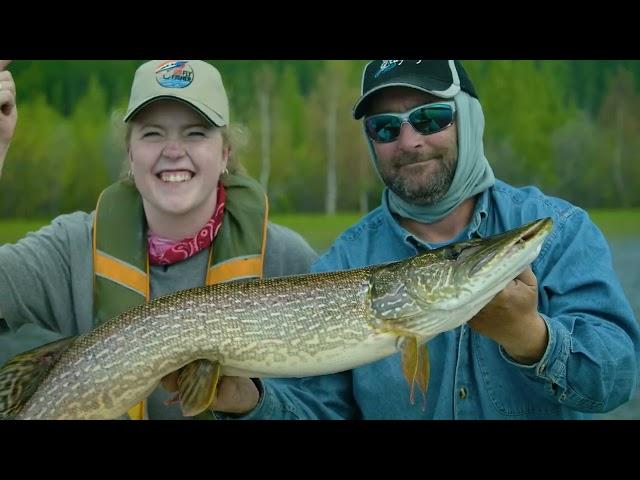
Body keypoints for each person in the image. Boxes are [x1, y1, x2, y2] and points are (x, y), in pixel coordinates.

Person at [217, 60, 640, 419]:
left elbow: (619, 376)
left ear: (468, 119)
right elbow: (316, 408)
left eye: (430, 118)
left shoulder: (559, 229)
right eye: (385, 128)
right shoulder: (343, 261)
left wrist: (530, 337)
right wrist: (248, 402)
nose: (409, 142)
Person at [0, 60, 317, 419]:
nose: (173, 150)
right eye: (152, 133)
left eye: (195, 133)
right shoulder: (68, 249)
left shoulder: (287, 258)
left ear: (225, 153)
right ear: (130, 152)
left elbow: (324, 408)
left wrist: (253, 404)